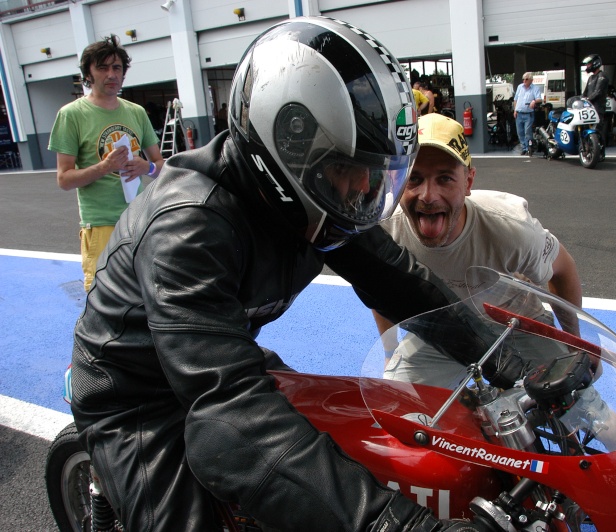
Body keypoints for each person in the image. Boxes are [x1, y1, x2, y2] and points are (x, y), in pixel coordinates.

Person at [67, 17, 491, 532]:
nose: (363, 187)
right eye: (348, 169)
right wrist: (400, 526)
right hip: (135, 389)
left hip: (216, 353)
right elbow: (229, 416)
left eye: (375, 173)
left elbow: (402, 282)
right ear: (290, 146)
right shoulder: (189, 227)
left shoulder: (321, 196)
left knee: (342, 444)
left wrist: (507, 355)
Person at [373, 113, 616, 449]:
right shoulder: (386, 227)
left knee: (587, 410)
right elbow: (380, 291)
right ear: (398, 180)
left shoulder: (509, 227)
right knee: (397, 411)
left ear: (468, 182)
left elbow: (563, 270)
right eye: (414, 178)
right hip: (444, 328)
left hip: (515, 322)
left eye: (445, 179)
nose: (427, 195)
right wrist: (390, 351)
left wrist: (573, 342)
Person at [49, 35, 164, 291]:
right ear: (87, 74)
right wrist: (105, 167)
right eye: (102, 67)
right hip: (101, 224)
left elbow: (160, 165)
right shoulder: (71, 115)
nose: (111, 74)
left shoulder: (136, 112)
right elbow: (64, 179)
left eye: (117, 68)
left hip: (140, 219)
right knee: (103, 296)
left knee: (148, 291)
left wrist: (147, 167)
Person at [581, 54, 610, 157]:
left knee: (597, 131)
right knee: (586, 130)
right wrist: (580, 99)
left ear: (595, 63)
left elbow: (598, 92)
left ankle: (600, 153)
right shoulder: (591, 78)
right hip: (588, 109)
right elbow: (585, 93)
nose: (587, 66)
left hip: (598, 109)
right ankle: (587, 150)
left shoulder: (602, 76)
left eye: (589, 64)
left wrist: (587, 99)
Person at [512, 72, 543, 155]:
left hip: (528, 114)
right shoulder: (520, 87)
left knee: (527, 132)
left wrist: (534, 101)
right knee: (520, 132)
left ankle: (529, 146)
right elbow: (515, 99)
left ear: (531, 80)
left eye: (526, 79)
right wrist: (515, 110)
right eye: (523, 79)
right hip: (519, 113)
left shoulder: (535, 88)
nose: (524, 81)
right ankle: (524, 147)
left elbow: (540, 99)